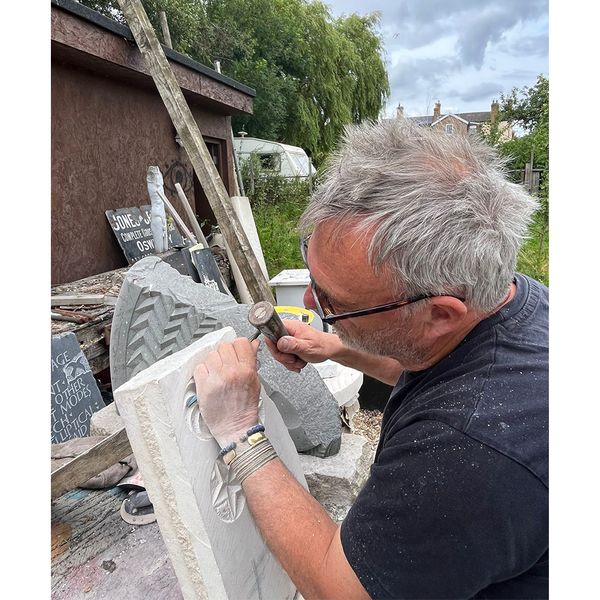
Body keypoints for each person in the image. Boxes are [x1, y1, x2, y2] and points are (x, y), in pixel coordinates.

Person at [193, 118, 548, 599]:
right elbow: (444, 370)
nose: (315, 306)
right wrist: (338, 347)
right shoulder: (510, 302)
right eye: (314, 279)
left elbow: (337, 589)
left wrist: (240, 433)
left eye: (335, 301)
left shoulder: (467, 451)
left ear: (441, 312)